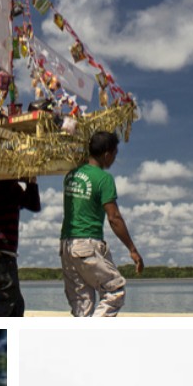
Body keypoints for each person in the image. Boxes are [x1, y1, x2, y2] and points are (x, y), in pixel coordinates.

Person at [58, 131, 144, 316]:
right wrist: (132, 249)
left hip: (66, 246)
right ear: (107, 154)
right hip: (86, 245)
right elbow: (114, 218)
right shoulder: (104, 179)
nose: (114, 159)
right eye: (115, 154)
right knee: (115, 290)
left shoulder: (71, 175)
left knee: (82, 305)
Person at [0, 177, 41, 316]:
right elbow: (34, 205)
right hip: (2, 254)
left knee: (16, 304)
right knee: (7, 301)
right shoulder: (11, 189)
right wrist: (30, 183)